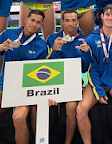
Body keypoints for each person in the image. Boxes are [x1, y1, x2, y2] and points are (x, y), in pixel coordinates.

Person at [0, 10, 50, 144]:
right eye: (32, 20)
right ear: (26, 19)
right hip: (6, 88)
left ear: (41, 25)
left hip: (25, 91)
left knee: (19, 118)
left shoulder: (42, 46)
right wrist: (0, 49)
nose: (34, 24)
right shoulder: (8, 35)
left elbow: (44, 74)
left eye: (38, 22)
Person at [76, 4, 112, 144]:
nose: (110, 18)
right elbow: (90, 68)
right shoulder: (91, 39)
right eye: (107, 14)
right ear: (102, 16)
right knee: (80, 110)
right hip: (97, 81)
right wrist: (97, 89)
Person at [47, 10, 91, 144]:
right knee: (40, 106)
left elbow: (83, 68)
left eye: (73, 20)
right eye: (67, 20)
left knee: (71, 107)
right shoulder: (52, 38)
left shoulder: (84, 40)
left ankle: (67, 141)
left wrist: (86, 53)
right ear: (62, 22)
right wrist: (54, 50)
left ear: (78, 22)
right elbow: (45, 65)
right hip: (53, 81)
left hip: (73, 82)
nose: (70, 24)